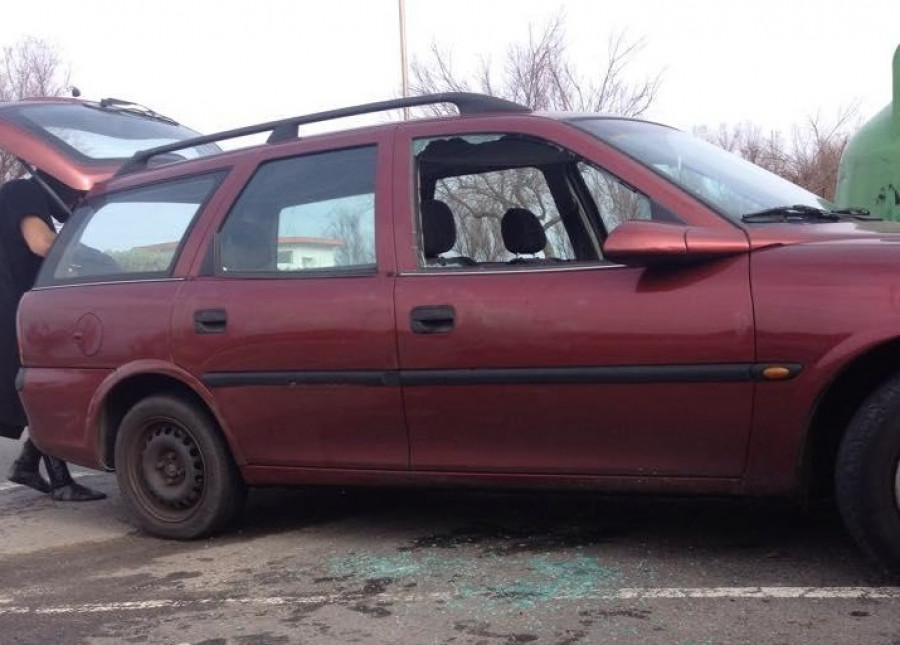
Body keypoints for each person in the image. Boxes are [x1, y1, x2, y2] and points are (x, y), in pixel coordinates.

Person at [0, 173, 105, 501]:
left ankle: (28, 466)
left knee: (37, 388)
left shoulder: (20, 194)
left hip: (21, 308)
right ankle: (60, 482)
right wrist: (99, 259)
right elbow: (41, 243)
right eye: (76, 195)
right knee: (42, 389)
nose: (74, 203)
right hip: (16, 311)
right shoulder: (23, 191)